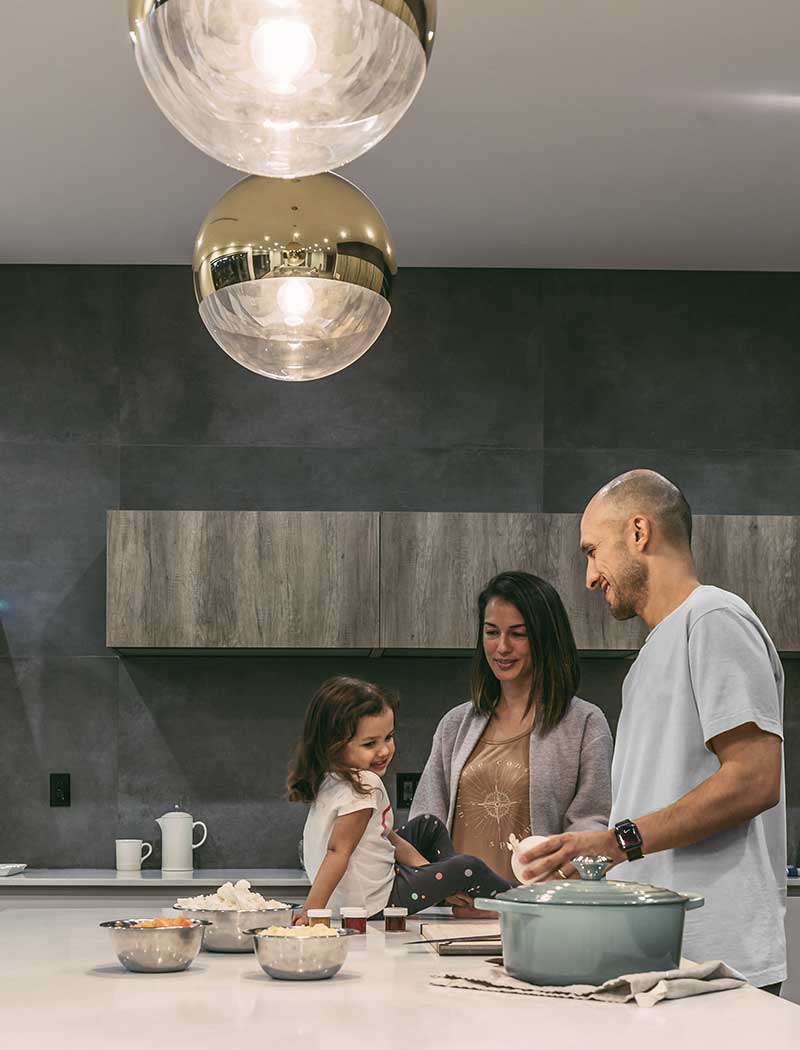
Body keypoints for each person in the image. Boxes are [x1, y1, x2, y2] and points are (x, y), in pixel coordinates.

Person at [520, 470, 786, 992]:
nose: (590, 577)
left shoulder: (713, 617)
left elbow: (755, 779)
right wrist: (591, 860)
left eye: (592, 551)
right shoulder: (647, 660)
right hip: (657, 955)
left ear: (639, 533)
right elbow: (651, 815)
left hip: (715, 962)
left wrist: (617, 842)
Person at [410, 572, 613, 893]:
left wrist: (561, 873)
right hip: (455, 912)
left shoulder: (585, 723)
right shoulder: (454, 725)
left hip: (539, 913)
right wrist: (433, 881)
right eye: (492, 632)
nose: (502, 647)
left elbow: (592, 824)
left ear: (546, 638)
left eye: (518, 634)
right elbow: (424, 822)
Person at [287, 675, 511, 922]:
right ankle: (520, 902)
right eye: (370, 743)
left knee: (428, 825)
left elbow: (387, 837)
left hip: (360, 895)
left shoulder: (329, 777)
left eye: (388, 737)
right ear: (334, 745)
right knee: (469, 867)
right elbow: (338, 851)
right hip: (375, 902)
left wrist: (433, 876)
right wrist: (311, 911)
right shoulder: (364, 783)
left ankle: (457, 895)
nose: (384, 751)